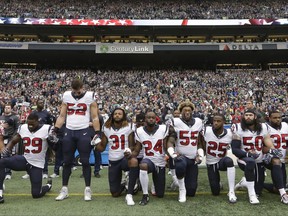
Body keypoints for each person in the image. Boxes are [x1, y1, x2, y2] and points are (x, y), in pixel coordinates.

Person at [54, 78, 101, 201]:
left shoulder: (90, 96)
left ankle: (87, 189)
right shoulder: (66, 96)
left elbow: (95, 116)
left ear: (82, 88)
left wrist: (97, 133)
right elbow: (62, 115)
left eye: (78, 92)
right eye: (74, 91)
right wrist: (55, 129)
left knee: (85, 161)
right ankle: (64, 189)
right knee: (67, 162)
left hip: (84, 131)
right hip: (69, 131)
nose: (76, 94)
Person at [0, 113, 54, 203]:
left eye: (32, 124)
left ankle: (48, 186)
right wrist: (7, 149)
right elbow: (14, 140)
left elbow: (55, 147)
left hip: (37, 165)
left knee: (36, 194)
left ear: (38, 121)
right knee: (2, 162)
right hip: (24, 160)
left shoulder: (46, 129)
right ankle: (0, 193)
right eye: (29, 124)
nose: (30, 126)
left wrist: (53, 141)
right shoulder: (23, 128)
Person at [231, 109, 278, 204]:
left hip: (259, 159)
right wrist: (247, 154)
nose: (248, 117)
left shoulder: (263, 127)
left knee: (259, 191)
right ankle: (251, 195)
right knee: (251, 162)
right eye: (246, 115)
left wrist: (272, 150)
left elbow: (267, 142)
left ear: (255, 117)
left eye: (250, 115)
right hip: (244, 159)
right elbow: (235, 149)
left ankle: (244, 182)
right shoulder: (237, 128)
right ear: (243, 117)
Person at [95, 107, 139, 206]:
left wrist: (129, 151)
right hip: (113, 160)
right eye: (115, 114)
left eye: (120, 114)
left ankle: (131, 188)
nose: (117, 115)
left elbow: (132, 145)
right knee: (115, 193)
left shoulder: (129, 126)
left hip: (125, 158)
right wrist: (95, 143)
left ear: (123, 116)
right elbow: (102, 148)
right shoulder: (106, 128)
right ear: (112, 115)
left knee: (133, 161)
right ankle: (124, 184)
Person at [132, 110, 175, 205]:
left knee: (160, 194)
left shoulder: (163, 128)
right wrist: (130, 156)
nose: (151, 119)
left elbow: (171, 136)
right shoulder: (139, 131)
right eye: (149, 117)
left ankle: (155, 186)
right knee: (143, 165)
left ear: (156, 119)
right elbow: (137, 149)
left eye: (153, 117)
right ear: (145, 119)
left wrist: (171, 154)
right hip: (148, 161)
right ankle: (145, 195)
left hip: (160, 163)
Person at [167, 99, 203, 203]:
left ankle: (177, 183)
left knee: (191, 192)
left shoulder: (199, 122)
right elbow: (170, 140)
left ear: (192, 111)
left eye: (189, 110)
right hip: (181, 157)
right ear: (181, 112)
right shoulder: (175, 122)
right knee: (180, 162)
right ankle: (181, 190)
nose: (187, 112)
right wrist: (172, 154)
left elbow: (200, 142)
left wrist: (200, 155)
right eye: (184, 110)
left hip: (192, 159)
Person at [197, 113, 237, 203]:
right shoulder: (206, 131)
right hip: (211, 163)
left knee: (229, 161)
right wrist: (199, 155)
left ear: (224, 122)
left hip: (222, 161)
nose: (215, 123)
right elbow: (200, 144)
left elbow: (237, 145)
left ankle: (231, 191)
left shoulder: (230, 133)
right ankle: (218, 183)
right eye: (214, 121)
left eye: (218, 121)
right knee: (215, 192)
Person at [22, 99, 54, 179]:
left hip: (44, 136)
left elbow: (50, 124)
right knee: (29, 154)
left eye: (42, 102)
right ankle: (29, 172)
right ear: (36, 104)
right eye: (40, 102)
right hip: (33, 135)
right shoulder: (33, 113)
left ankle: (45, 171)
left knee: (44, 154)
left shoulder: (46, 113)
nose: (41, 104)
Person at [262, 110, 288, 203]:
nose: (277, 120)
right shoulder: (265, 127)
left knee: (279, 188)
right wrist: (271, 151)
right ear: (269, 118)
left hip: (282, 160)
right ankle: (283, 195)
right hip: (267, 158)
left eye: (279, 117)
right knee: (276, 161)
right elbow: (261, 147)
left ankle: (259, 184)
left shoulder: (285, 126)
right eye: (275, 118)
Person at [0, 103, 20, 180]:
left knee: (7, 155)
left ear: (11, 109)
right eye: (5, 108)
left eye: (8, 108)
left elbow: (17, 128)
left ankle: (8, 172)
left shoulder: (14, 117)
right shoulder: (1, 117)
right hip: (1, 138)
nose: (6, 109)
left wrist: (13, 138)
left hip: (9, 138)